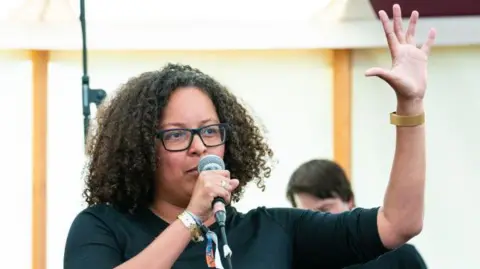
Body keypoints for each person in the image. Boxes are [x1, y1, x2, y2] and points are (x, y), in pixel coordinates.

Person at [64, 4, 436, 269]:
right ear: (143, 149)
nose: (199, 145)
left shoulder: (273, 231)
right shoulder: (103, 227)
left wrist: (410, 107)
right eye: (177, 135)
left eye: (210, 131)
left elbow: (398, 223)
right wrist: (192, 218)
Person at [286, 159, 428, 268]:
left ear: (349, 200)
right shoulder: (293, 262)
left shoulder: (402, 258)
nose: (314, 221)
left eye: (325, 209)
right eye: (305, 214)